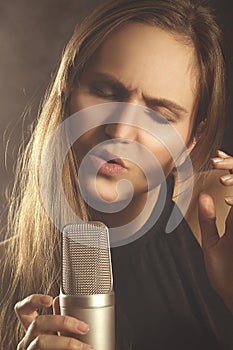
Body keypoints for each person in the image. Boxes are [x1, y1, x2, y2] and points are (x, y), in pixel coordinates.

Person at [1, 0, 233, 349]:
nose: (121, 131)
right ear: (66, 89)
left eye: (160, 115)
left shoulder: (221, 213)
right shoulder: (7, 269)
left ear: (193, 138)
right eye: (105, 92)